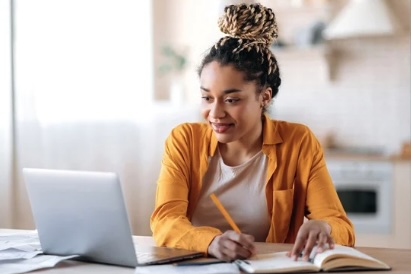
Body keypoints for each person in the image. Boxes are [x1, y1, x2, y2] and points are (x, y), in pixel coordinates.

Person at [150, 3, 355, 261]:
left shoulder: (298, 142)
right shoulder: (184, 140)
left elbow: (342, 227)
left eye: (232, 100)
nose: (215, 112)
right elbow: (165, 220)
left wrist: (324, 227)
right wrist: (211, 242)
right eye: (206, 98)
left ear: (264, 97)